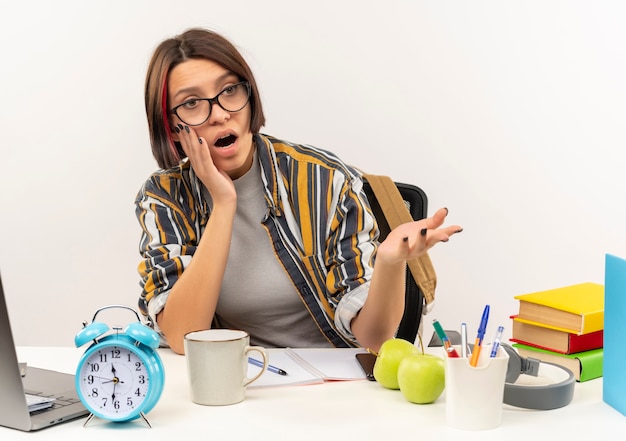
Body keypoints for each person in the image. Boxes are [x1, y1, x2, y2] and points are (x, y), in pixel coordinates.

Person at [135, 28, 462, 355]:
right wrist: (223, 203)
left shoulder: (325, 180)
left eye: (230, 90)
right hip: (247, 381)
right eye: (192, 103)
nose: (220, 113)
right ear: (171, 127)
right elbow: (183, 336)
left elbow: (375, 340)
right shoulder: (166, 197)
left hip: (340, 377)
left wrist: (390, 264)